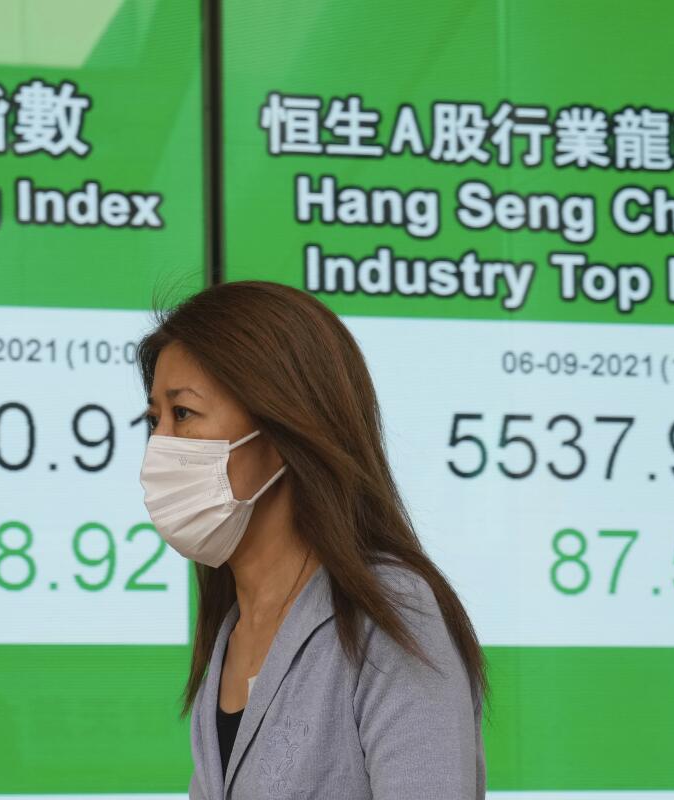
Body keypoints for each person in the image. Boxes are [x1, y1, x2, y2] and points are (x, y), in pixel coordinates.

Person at [137, 280, 487, 799]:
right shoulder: (231, 633)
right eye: (153, 421)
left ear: (283, 427)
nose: (160, 444)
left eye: (183, 414)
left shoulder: (390, 612)